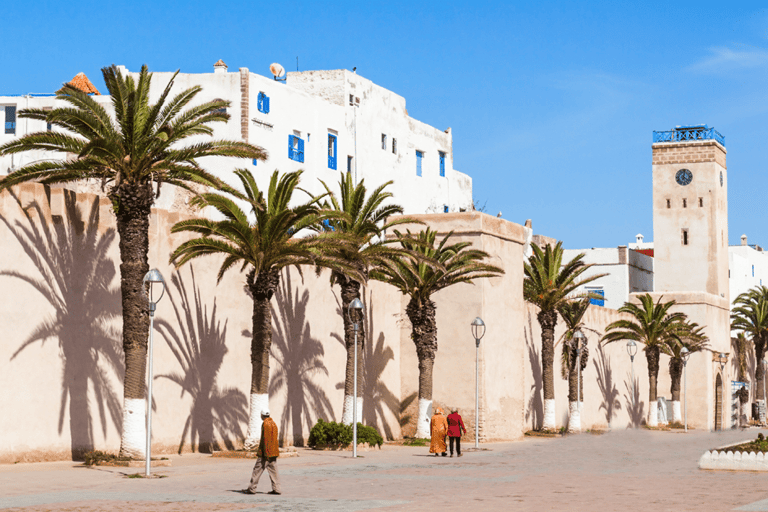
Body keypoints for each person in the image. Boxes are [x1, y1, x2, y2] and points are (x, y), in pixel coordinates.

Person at [245, 410, 281, 495]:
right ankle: (277, 489)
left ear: (262, 415)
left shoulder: (265, 424)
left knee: (257, 471)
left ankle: (251, 488)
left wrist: (266, 454)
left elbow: (266, 440)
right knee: (274, 472)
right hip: (273, 452)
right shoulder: (273, 423)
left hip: (265, 453)